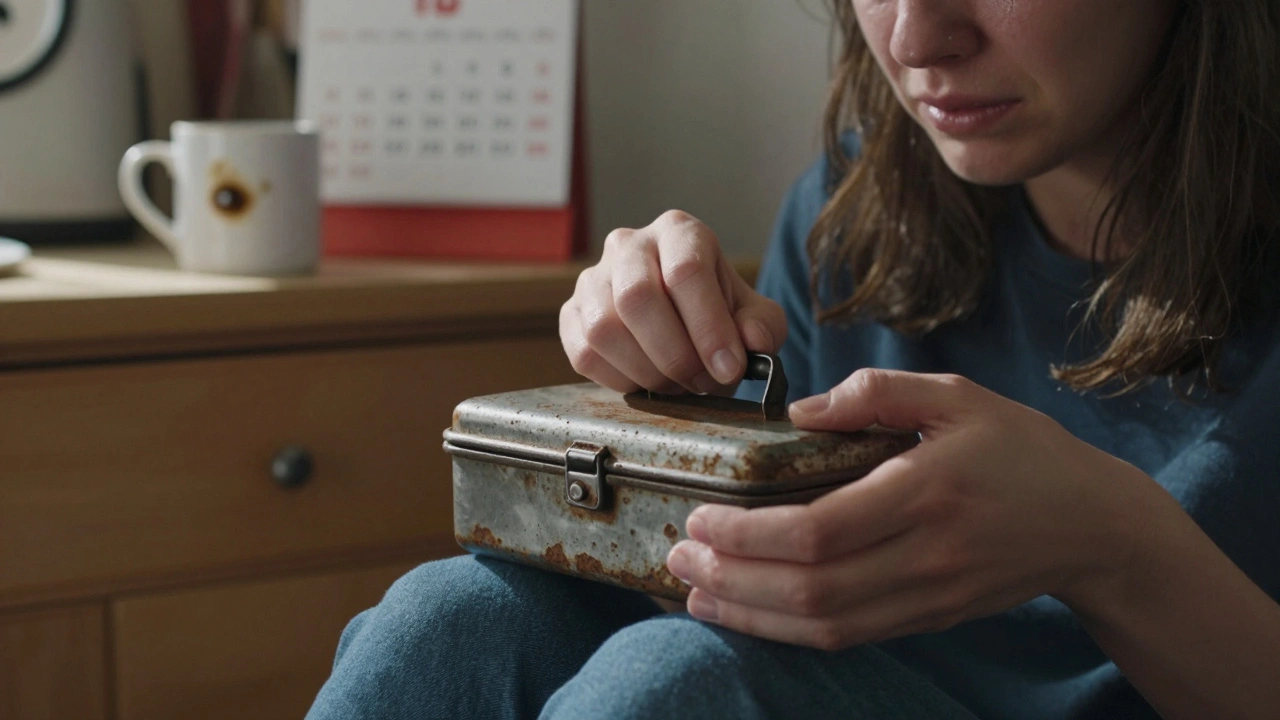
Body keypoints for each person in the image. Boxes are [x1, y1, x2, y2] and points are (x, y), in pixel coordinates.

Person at [307, 1, 1280, 718]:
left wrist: (1109, 544)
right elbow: (750, 601)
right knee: (450, 619)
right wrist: (657, 412)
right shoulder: (859, 210)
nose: (910, 38)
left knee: (674, 690)